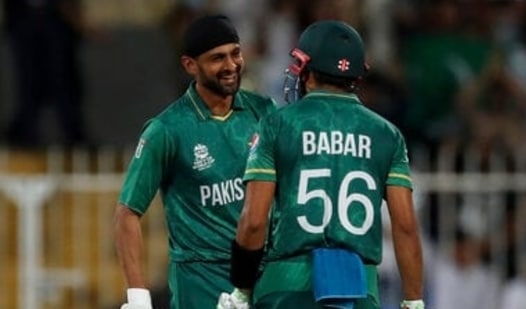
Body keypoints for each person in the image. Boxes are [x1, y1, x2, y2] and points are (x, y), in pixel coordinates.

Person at [221, 20, 424, 309]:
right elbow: (405, 226)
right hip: (359, 290)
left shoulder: (277, 124)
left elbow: (254, 222)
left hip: (286, 285)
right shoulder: (387, 135)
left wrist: (241, 289)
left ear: (306, 68)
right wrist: (414, 300)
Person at [113, 14, 276, 309]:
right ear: (190, 65)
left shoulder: (264, 112)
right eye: (217, 58)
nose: (230, 65)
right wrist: (138, 298)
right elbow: (127, 213)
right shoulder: (167, 130)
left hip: (263, 276)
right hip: (201, 282)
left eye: (235, 53)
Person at [2, 0, 88, 146]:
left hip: (55, 18)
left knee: (63, 80)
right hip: (22, 17)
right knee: (28, 81)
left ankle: (73, 135)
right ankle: (26, 134)